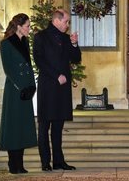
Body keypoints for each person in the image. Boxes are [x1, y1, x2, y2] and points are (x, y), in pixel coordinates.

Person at [33, 9, 81, 171]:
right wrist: (56, 75)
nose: (68, 25)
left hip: (62, 89)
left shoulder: (66, 39)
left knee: (58, 128)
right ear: (57, 21)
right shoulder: (40, 37)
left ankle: (59, 161)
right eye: (66, 21)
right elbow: (39, 60)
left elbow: (76, 58)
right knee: (44, 126)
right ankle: (45, 163)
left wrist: (74, 43)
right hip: (48, 87)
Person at [0, 13, 37, 174]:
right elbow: (9, 70)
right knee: (13, 126)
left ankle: (19, 164)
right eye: (27, 26)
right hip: (15, 90)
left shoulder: (25, 42)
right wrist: (22, 87)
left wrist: (32, 86)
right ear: (19, 26)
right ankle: (13, 164)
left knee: (22, 126)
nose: (29, 29)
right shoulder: (6, 43)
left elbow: (28, 66)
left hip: (26, 89)